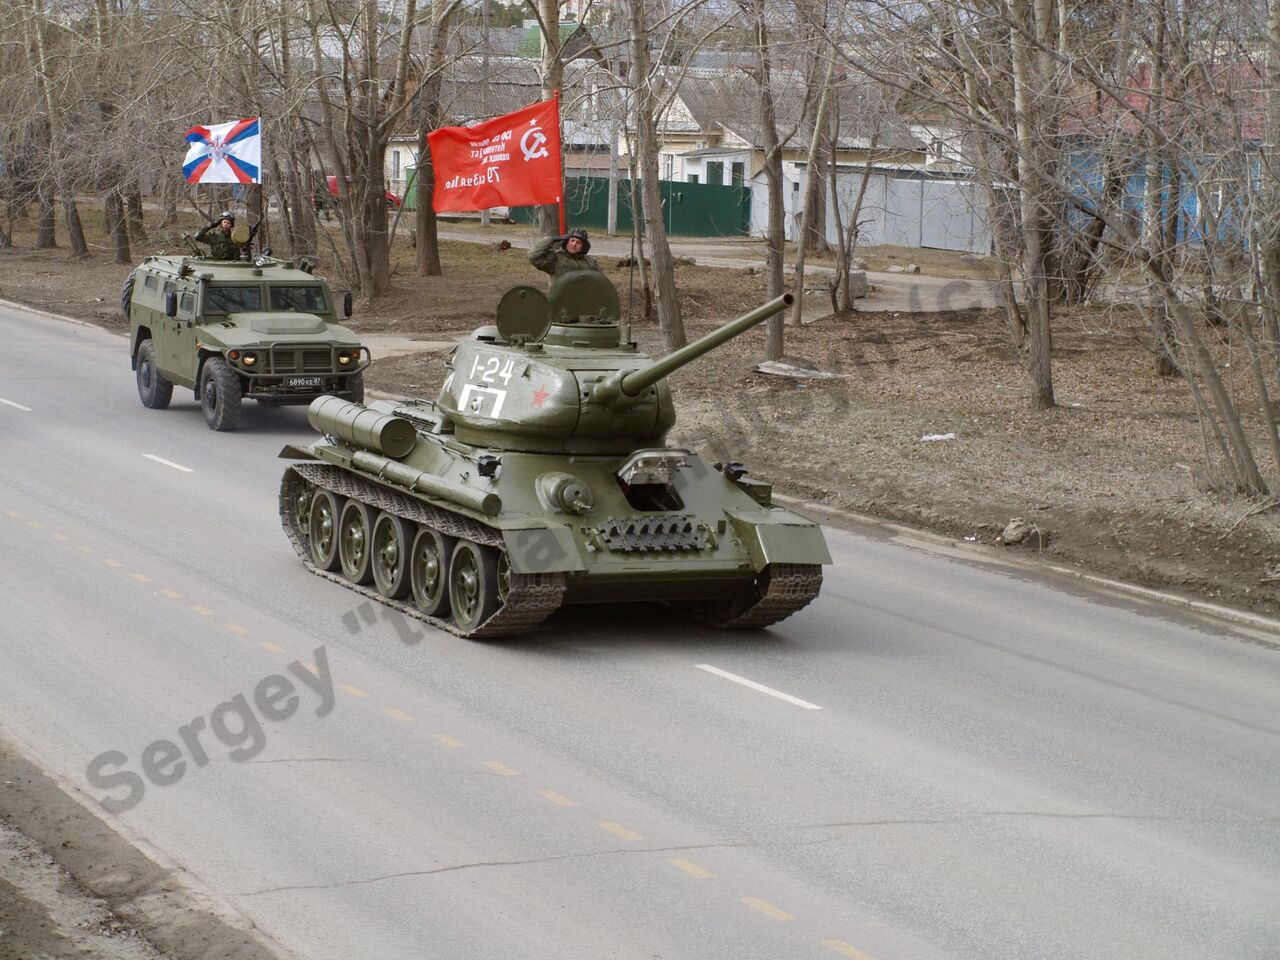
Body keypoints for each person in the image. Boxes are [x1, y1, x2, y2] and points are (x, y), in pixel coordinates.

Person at [528, 228, 601, 277]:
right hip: (560, 298)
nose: (574, 244)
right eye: (572, 240)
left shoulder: (590, 263)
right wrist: (552, 239)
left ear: (583, 247)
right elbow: (533, 256)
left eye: (578, 242)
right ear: (566, 242)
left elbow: (601, 281)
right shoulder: (556, 259)